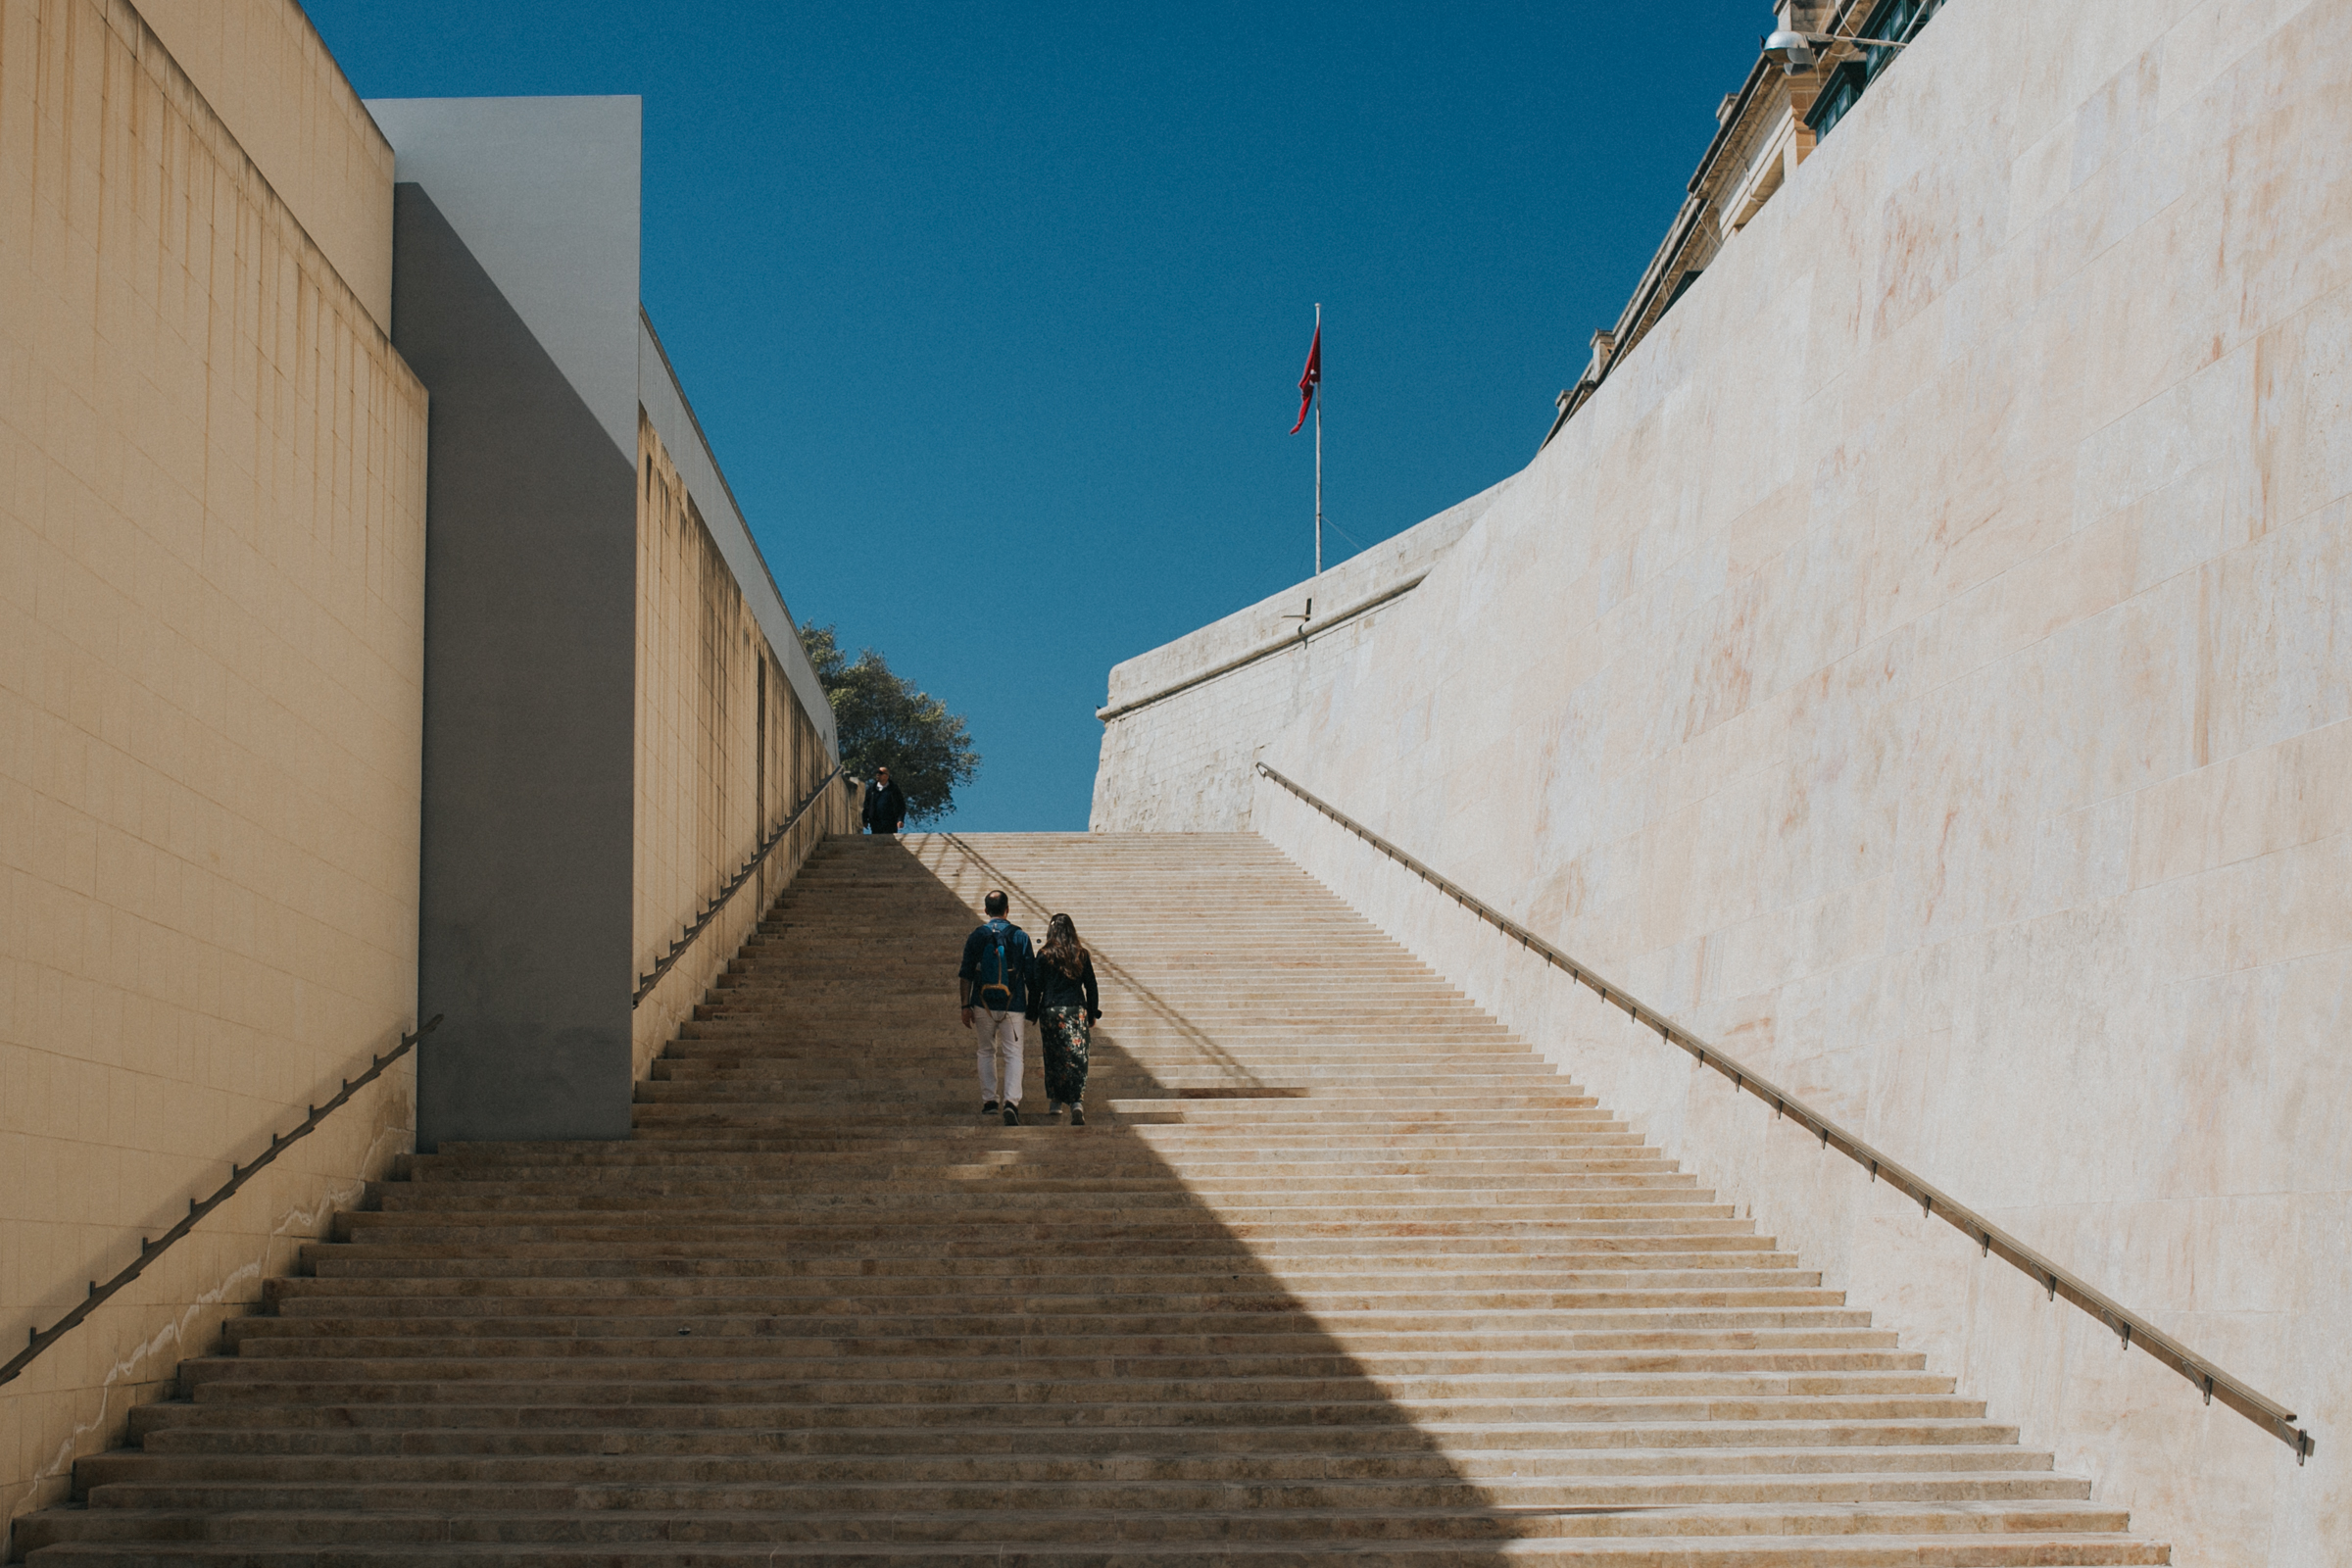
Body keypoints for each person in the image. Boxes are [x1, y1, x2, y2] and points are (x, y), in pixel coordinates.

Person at [957, 890, 1033, 1124]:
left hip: (982, 1003)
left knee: (986, 1051)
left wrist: (965, 1005)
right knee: (1013, 1054)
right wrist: (1035, 1005)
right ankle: (1011, 1102)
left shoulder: (976, 936)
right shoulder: (1020, 936)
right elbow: (1031, 974)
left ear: (986, 911)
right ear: (1007, 909)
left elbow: (966, 974)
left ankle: (990, 1101)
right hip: (1014, 1004)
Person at [1025, 912, 1102, 1125]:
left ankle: (1056, 1101)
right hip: (1076, 1009)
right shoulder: (1081, 954)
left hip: (1051, 1010)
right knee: (1077, 1056)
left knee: (1053, 1056)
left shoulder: (1044, 954)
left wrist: (1031, 1012)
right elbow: (1091, 985)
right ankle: (1076, 1101)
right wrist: (1092, 1012)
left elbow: (1036, 988)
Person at [862, 765, 906, 835]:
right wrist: (865, 820)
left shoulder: (894, 789)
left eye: (880, 773)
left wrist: (900, 820)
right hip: (875, 822)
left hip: (890, 822)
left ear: (886, 776)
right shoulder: (871, 790)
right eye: (877, 773)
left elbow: (901, 805)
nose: (878, 775)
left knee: (890, 842)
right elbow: (866, 805)